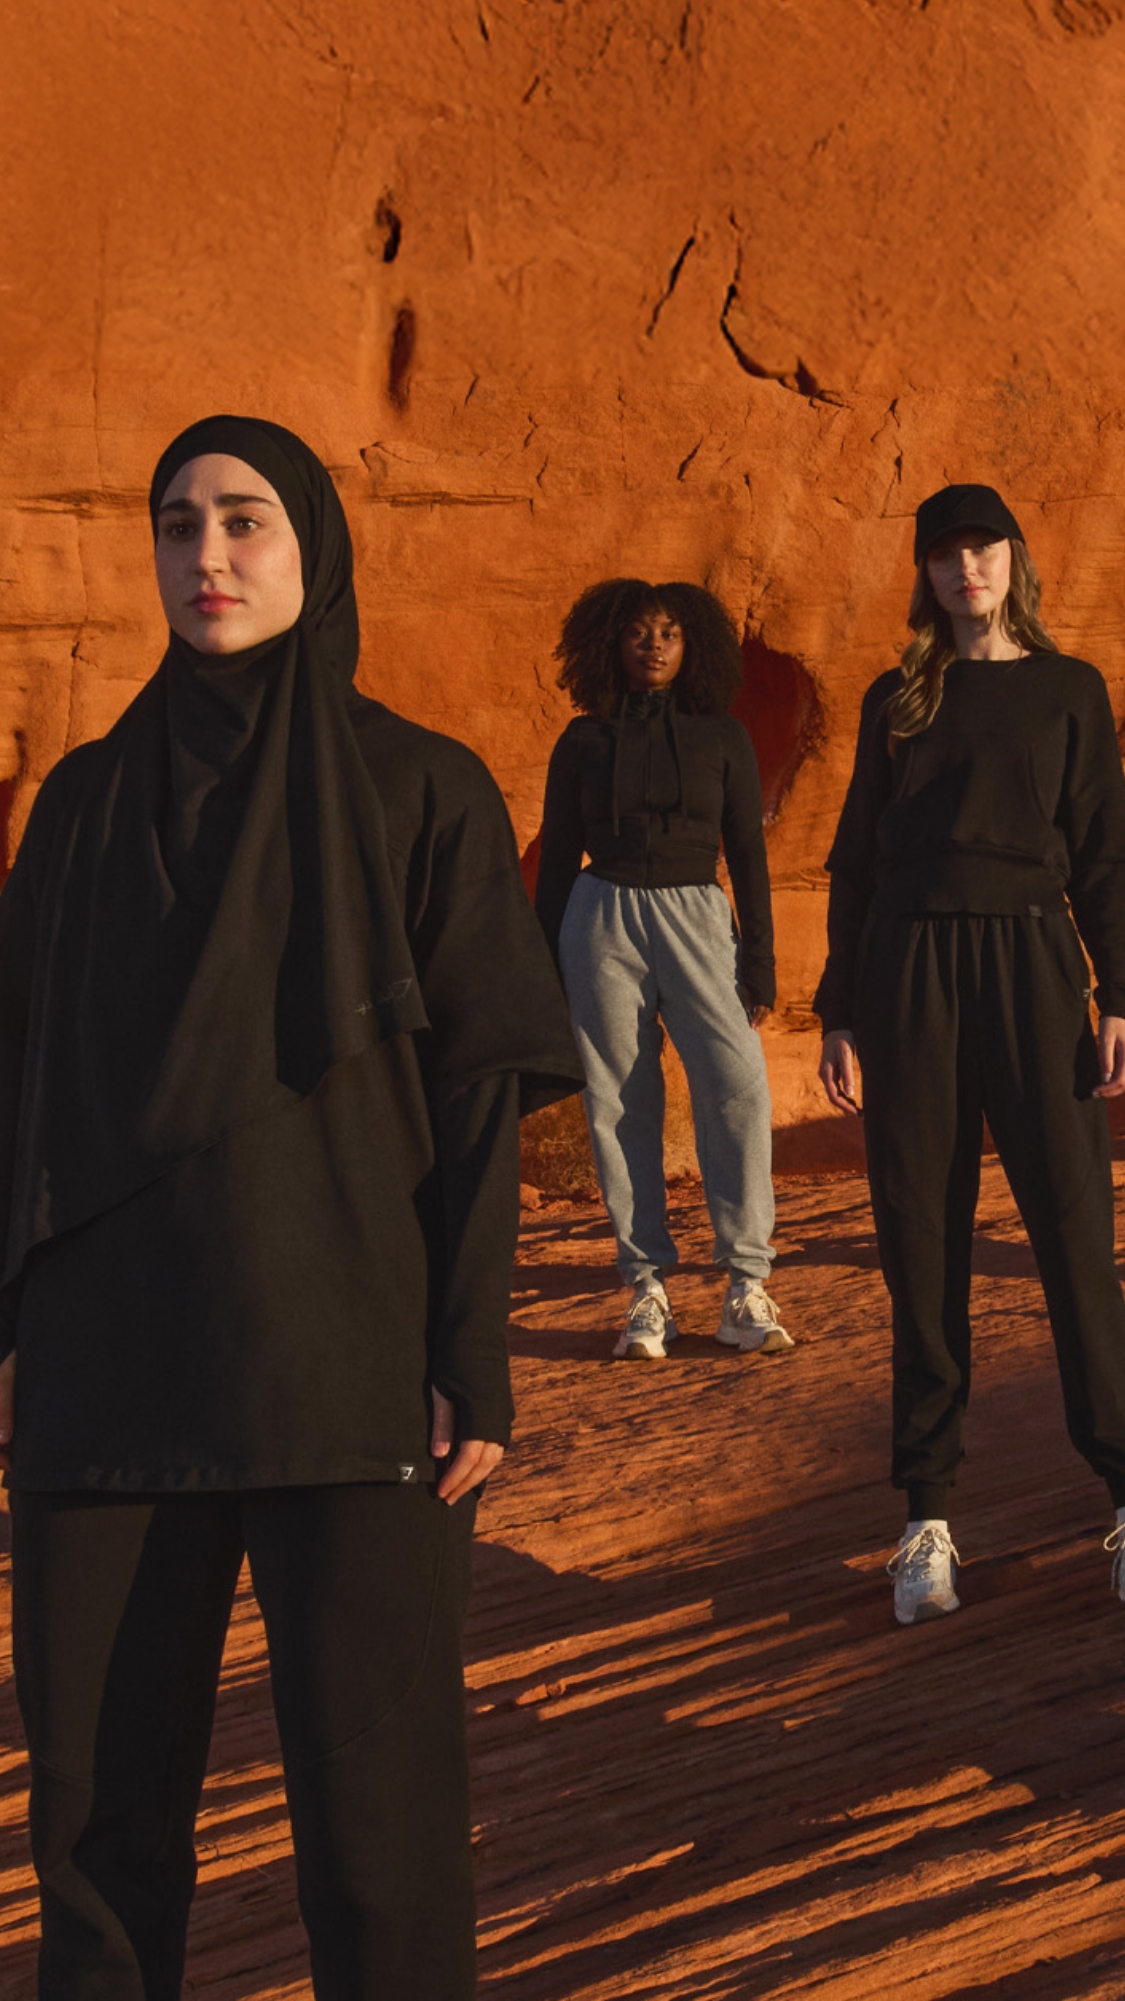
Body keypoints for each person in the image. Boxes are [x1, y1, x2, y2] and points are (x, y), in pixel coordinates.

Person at [0, 414, 583, 2000]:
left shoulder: (420, 790)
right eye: (177, 523)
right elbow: (20, 1081)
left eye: (245, 520)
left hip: (348, 1375)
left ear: (312, 548)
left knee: (382, 1849)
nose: (207, 556)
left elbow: (475, 1094)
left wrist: (471, 1349)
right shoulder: (84, 807)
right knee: (96, 1852)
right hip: (105, 1386)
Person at [816, 481, 1125, 1626]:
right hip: (909, 971)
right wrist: (839, 1010)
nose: (966, 569)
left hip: (1034, 965)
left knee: (1075, 1236)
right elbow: (856, 859)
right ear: (925, 573)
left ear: (1015, 560)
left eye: (983, 548)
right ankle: (927, 1518)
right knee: (921, 1240)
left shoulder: (1069, 689)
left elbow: (1105, 850)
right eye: (945, 553)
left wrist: (1119, 992)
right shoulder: (898, 696)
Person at [534, 576, 792, 1360]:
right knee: (617, 1099)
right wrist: (540, 967)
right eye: (638, 632)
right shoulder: (582, 740)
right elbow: (555, 859)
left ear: (693, 647)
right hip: (599, 917)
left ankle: (744, 1284)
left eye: (669, 633)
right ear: (611, 643)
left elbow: (746, 851)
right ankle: (646, 1289)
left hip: (696, 915)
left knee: (737, 1086)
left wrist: (759, 960)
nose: (653, 645)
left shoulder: (722, 737)